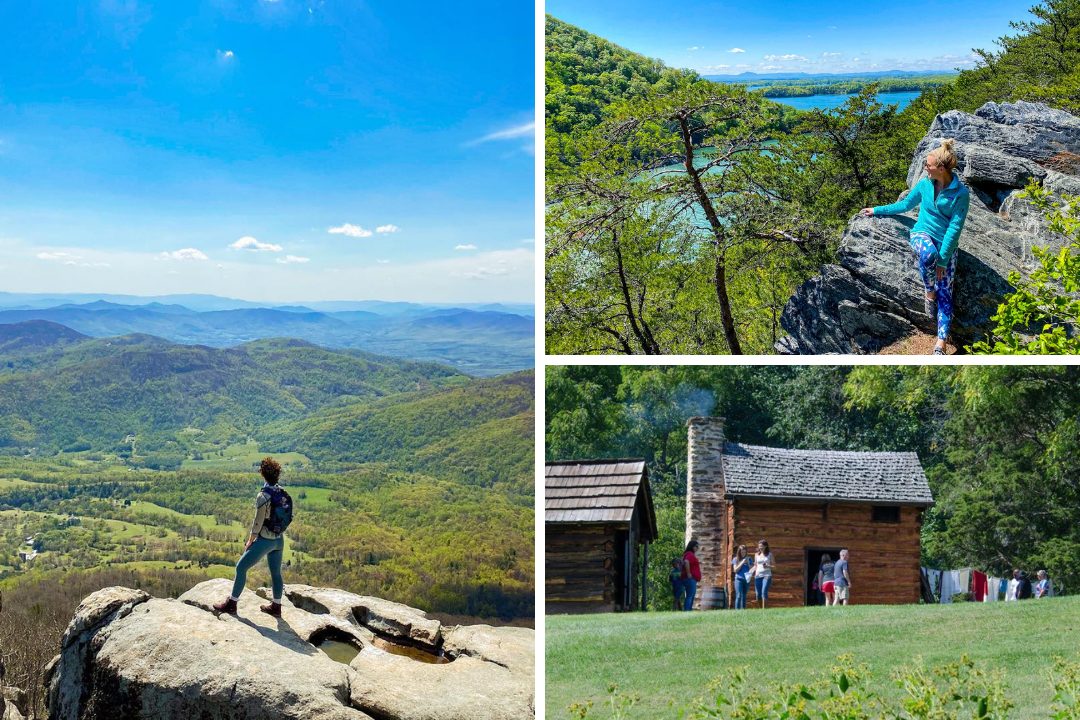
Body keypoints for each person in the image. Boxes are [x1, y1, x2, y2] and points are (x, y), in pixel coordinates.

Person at [860, 138, 970, 355]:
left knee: (946, 293)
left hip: (946, 244)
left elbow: (954, 229)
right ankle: (929, 292)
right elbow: (905, 205)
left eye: (927, 165)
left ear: (940, 168)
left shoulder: (960, 194)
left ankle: (941, 343)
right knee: (928, 256)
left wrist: (944, 259)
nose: (924, 168)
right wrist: (877, 210)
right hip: (922, 233)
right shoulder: (924, 185)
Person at [214, 457, 291, 617]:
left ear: (263, 474)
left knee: (241, 568)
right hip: (279, 539)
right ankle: (276, 607)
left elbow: (258, 521)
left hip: (266, 540)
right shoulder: (281, 492)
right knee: (276, 573)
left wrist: (251, 540)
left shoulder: (263, 496)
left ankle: (232, 604)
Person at [749, 539, 774, 609]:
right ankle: (761, 609)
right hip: (757, 576)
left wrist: (768, 566)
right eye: (759, 546)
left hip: (767, 576)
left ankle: (764, 609)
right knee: (758, 595)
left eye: (762, 546)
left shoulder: (769, 554)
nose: (760, 548)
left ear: (766, 546)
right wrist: (749, 572)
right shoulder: (756, 554)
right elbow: (755, 565)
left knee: (764, 592)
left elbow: (774, 566)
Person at [681, 540, 702, 611]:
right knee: (690, 596)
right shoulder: (689, 554)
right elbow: (686, 562)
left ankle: (688, 611)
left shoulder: (688, 554)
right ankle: (687, 611)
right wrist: (688, 573)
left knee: (691, 595)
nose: (697, 548)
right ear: (692, 546)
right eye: (696, 546)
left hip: (691, 579)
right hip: (690, 579)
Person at [731, 545, 751, 610]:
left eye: (744, 552)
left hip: (746, 579)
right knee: (739, 595)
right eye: (742, 552)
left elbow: (752, 570)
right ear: (739, 552)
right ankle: (737, 611)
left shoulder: (749, 559)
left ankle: (743, 611)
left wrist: (748, 563)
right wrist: (742, 562)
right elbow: (735, 570)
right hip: (738, 579)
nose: (743, 554)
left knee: (744, 596)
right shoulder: (735, 559)